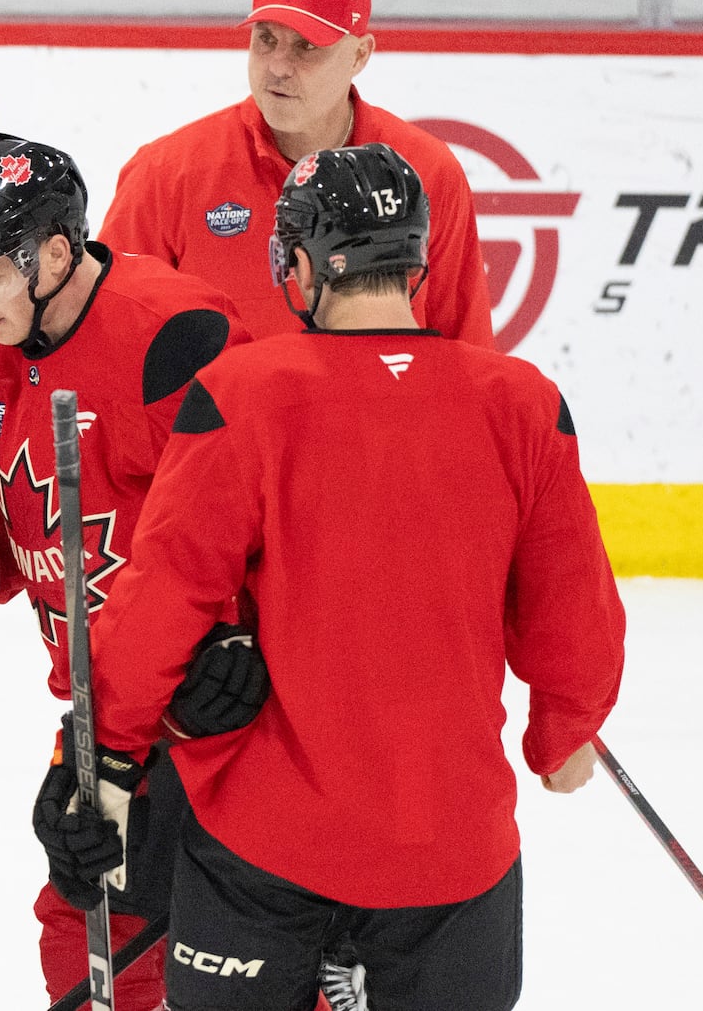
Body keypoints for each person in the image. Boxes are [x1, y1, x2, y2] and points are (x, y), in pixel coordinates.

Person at [54, 143, 626, 1011]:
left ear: (300, 265)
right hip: (454, 852)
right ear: (417, 259)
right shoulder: (522, 400)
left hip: (264, 846)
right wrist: (564, 727)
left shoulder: (245, 391)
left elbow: (160, 601)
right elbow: (574, 612)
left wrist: (106, 756)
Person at [0, 132, 249, 1009]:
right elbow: (11, 501)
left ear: (54, 252)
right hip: (106, 708)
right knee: (86, 923)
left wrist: (253, 640)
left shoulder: (178, 335)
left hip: (227, 706)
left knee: (251, 933)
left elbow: (270, 507)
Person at [100, 0, 495, 349]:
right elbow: (109, 336)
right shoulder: (167, 173)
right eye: (266, 39)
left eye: (306, 46)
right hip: (221, 413)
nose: (278, 67)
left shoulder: (424, 171)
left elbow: (466, 351)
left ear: (360, 55)